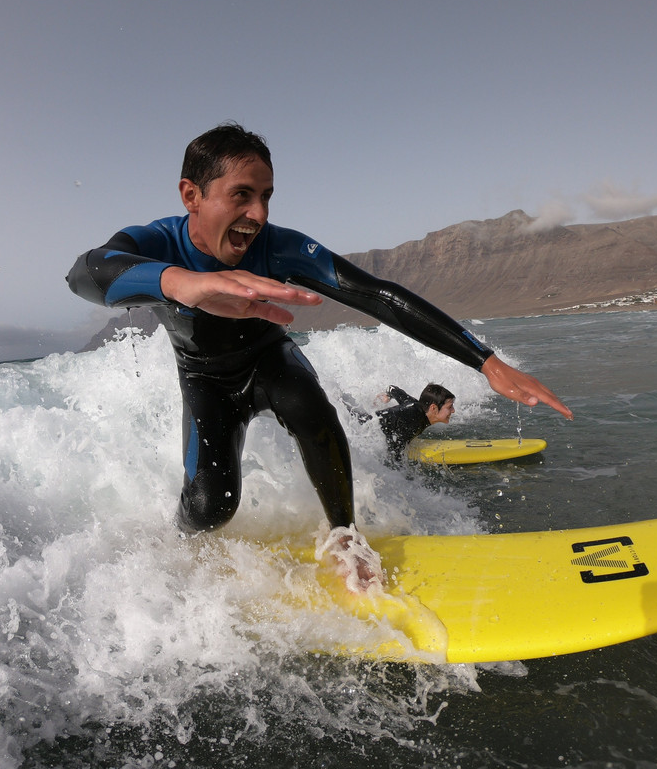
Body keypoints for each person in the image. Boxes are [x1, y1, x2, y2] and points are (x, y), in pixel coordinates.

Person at [66, 122, 573, 589]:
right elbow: (86, 274)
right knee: (209, 509)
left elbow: (378, 295)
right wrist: (183, 283)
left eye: (266, 197)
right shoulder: (157, 243)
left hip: (270, 360)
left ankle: (345, 535)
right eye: (241, 195)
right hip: (205, 380)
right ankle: (175, 545)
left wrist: (485, 361)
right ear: (191, 195)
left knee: (311, 412)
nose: (258, 215)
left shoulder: (279, 247)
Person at [376, 384, 455, 460]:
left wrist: (387, 395)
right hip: (368, 428)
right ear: (433, 408)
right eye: (450, 407)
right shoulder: (414, 422)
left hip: (370, 421)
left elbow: (392, 389)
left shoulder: (416, 404)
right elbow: (395, 454)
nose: (453, 410)